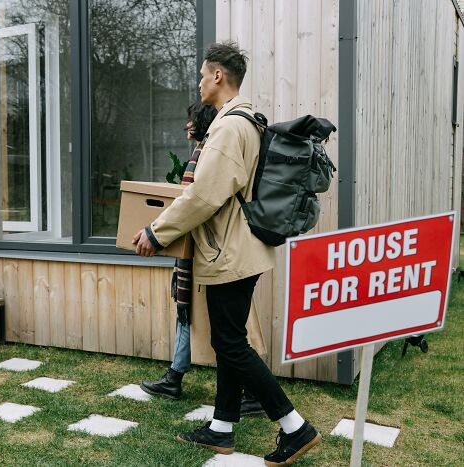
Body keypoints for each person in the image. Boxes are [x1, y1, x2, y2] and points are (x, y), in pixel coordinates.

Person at [132, 41, 321, 465]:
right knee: (228, 340)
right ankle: (221, 427)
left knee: (231, 343)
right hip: (240, 249)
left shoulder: (229, 126)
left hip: (228, 253)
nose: (199, 82)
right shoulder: (247, 120)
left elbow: (203, 195)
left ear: (218, 76)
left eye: (203, 74)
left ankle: (295, 425)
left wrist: (155, 232)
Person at [139, 102, 265, 418]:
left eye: (191, 121)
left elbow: (195, 200)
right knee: (226, 333)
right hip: (218, 252)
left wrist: (157, 233)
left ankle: (269, 405)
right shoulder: (219, 143)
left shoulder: (207, 151)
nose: (186, 127)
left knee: (229, 336)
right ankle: (221, 417)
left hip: (210, 253)